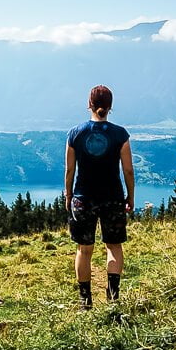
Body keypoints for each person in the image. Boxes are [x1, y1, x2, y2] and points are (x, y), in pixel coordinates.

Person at [64, 85, 134, 310]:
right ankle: (113, 300)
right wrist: (130, 197)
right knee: (113, 247)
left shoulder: (75, 133)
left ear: (89, 104)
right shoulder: (120, 134)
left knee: (84, 250)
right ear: (110, 106)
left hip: (83, 198)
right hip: (113, 197)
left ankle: (85, 303)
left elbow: (69, 171)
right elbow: (128, 171)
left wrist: (68, 196)